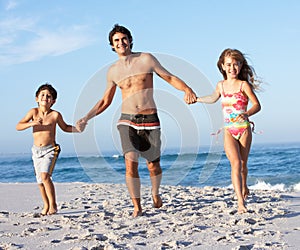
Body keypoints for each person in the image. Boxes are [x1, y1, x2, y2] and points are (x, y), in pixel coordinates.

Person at [76, 24, 197, 217]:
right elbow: (106, 101)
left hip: (150, 118)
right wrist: (86, 117)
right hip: (127, 120)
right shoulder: (113, 71)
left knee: (153, 165)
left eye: (124, 39)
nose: (121, 43)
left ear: (130, 40)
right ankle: (137, 206)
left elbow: (169, 77)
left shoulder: (146, 59)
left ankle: (155, 193)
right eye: (116, 41)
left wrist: (187, 89)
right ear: (112, 46)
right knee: (130, 163)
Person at [197, 48, 261, 213]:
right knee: (235, 163)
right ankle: (240, 202)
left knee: (243, 165)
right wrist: (197, 99)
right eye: (229, 65)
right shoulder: (221, 86)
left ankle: (244, 185)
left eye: (236, 64)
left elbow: (257, 105)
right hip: (228, 131)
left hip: (244, 130)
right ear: (223, 67)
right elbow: (212, 98)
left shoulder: (243, 85)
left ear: (240, 66)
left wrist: (246, 114)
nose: (232, 68)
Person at [16, 83, 81, 215]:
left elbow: (65, 127)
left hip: (50, 150)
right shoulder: (33, 112)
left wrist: (77, 129)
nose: (45, 97)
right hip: (36, 151)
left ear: (53, 101)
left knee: (45, 177)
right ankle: (46, 205)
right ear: (37, 98)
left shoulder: (55, 115)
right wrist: (32, 123)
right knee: (40, 182)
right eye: (43, 95)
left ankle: (53, 205)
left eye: (49, 96)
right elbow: (18, 126)